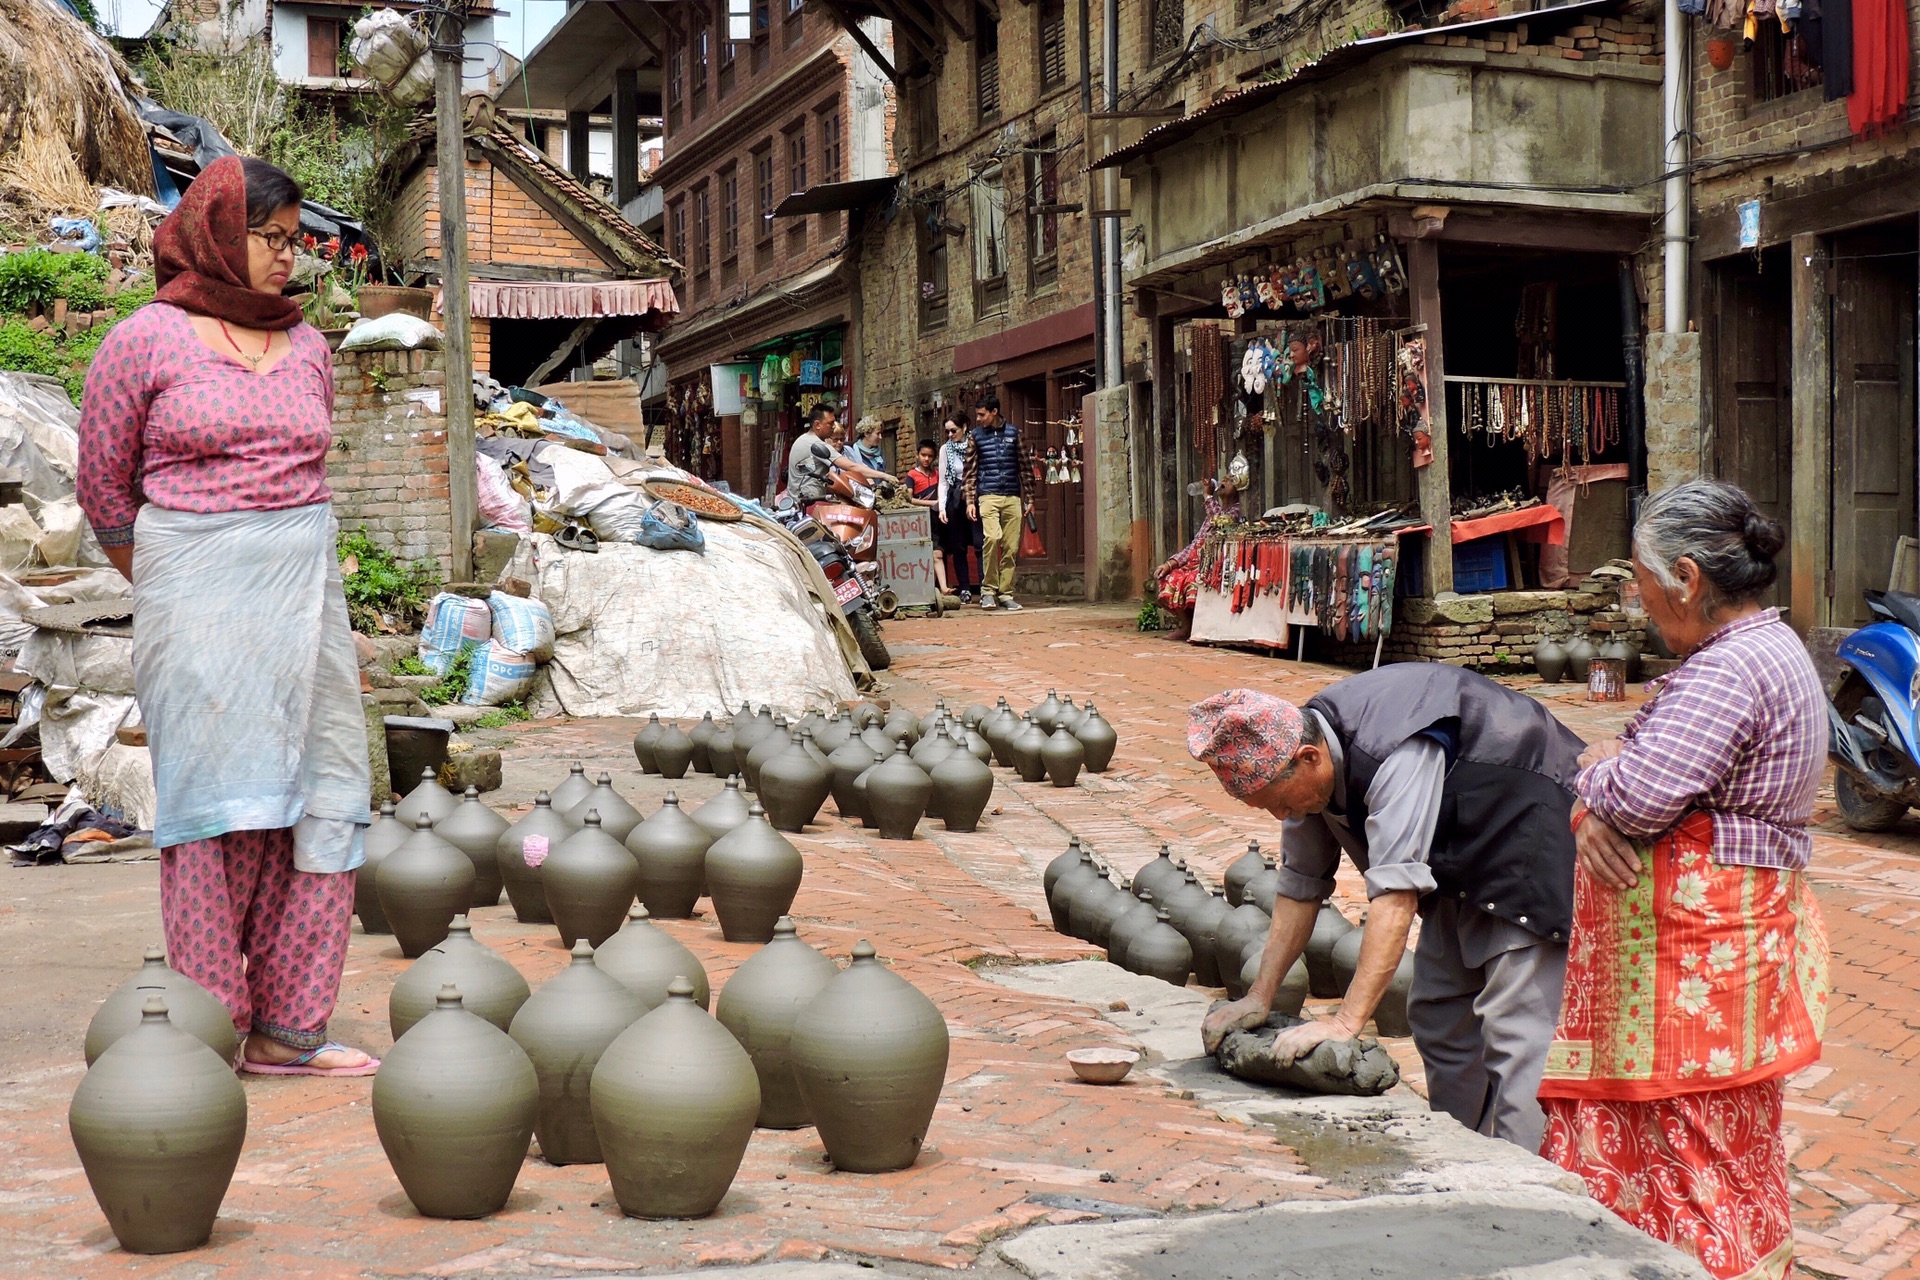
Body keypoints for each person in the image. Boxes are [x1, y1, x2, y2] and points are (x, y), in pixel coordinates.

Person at [76, 156, 376, 1076]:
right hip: (195, 597)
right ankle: (211, 1033)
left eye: (296, 242)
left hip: (303, 597)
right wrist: (177, 578)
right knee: (216, 810)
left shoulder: (312, 348)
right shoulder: (144, 342)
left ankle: (290, 1029)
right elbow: (103, 485)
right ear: (215, 230)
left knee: (322, 793)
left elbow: (313, 473)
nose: (288, 258)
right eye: (270, 237)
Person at [1540, 480, 1829, 1280]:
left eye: (1641, 584)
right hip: (1720, 958)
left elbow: (1636, 794)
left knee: (1698, 1159)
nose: (1641, 606)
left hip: (1692, 977)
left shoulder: (1729, 670)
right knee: (1720, 1154)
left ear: (1689, 577)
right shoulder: (1767, 651)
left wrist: (1595, 778)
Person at [1192, 668, 1583, 1151]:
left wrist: (1345, 1023)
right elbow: (1300, 887)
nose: (1281, 816)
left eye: (1276, 802)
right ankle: (1462, 1157)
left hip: (1529, 834)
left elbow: (1395, 899)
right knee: (1440, 1015)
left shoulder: (1393, 752)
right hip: (1457, 853)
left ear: (1307, 759)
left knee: (1517, 1032)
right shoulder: (1304, 756)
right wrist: (1259, 996)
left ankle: (1529, 1189)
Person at [962, 392, 1036, 611]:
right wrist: (969, 501)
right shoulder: (975, 436)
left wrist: (1030, 498)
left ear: (994, 412)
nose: (978, 419)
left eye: (982, 414)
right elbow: (969, 472)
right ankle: (987, 591)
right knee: (992, 539)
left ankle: (1005, 593)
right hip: (987, 495)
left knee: (1011, 547)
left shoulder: (1015, 433)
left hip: (1013, 495)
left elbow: (1025, 466)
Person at [1152, 476, 1242, 641]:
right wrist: (1170, 563)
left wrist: (1207, 497)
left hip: (1216, 563)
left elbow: (1221, 522)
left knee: (1192, 580)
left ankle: (1203, 627)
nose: (1223, 482)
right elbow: (1195, 544)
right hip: (1196, 561)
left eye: (1229, 480)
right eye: (1223, 479)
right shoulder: (1212, 512)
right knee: (1169, 577)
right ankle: (1188, 626)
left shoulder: (1236, 510)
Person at [787, 404, 890, 506]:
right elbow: (850, 466)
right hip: (809, 503)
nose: (833, 426)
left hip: (803, 501)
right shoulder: (816, 445)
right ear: (817, 425)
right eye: (830, 423)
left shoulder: (803, 440)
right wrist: (884, 476)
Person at [936, 413, 982, 603]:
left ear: (964, 427)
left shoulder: (975, 444)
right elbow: (943, 481)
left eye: (953, 430)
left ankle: (985, 585)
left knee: (980, 543)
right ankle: (964, 587)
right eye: (947, 431)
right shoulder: (946, 449)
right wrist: (942, 507)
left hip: (975, 494)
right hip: (955, 497)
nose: (950, 434)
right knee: (958, 545)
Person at [903, 438, 950, 595]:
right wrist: (930, 503)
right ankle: (939, 588)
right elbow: (908, 499)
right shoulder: (912, 475)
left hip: (939, 520)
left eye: (930, 456)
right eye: (923, 455)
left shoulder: (938, 475)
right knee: (933, 554)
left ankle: (940, 588)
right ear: (917, 455)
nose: (926, 459)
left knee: (940, 553)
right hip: (921, 521)